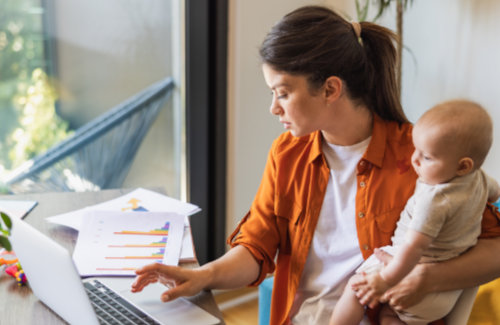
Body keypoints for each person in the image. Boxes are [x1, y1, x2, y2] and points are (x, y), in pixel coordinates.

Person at [131, 5, 500, 325]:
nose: (274, 108)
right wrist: (202, 276)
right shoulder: (287, 154)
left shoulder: (420, 159)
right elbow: (258, 246)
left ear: (330, 89)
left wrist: (427, 280)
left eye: (283, 93)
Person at [331, 100, 500, 325]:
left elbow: (414, 247)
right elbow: (494, 193)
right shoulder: (478, 179)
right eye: (416, 150)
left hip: (416, 280)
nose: (414, 160)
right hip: (448, 295)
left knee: (355, 289)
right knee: (389, 317)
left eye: (427, 157)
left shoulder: (435, 200)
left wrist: (384, 279)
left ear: (462, 166)